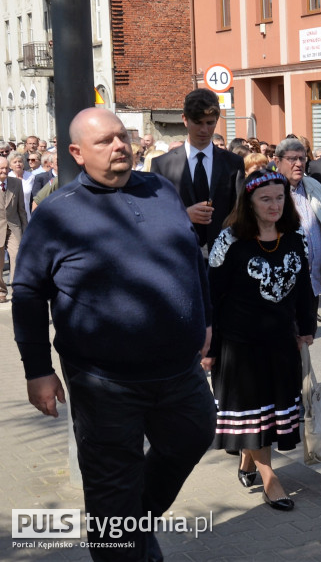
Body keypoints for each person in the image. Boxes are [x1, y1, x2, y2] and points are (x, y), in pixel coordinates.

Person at [12, 108, 215, 560]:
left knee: (195, 436)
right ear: (77, 153)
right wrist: (37, 371)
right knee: (111, 487)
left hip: (180, 372)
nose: (119, 145)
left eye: (122, 136)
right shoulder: (57, 214)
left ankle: (133, 522)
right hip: (104, 381)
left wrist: (205, 318)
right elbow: (27, 293)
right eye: (104, 141)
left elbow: (192, 260)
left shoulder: (161, 189)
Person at [204, 169, 315, 512]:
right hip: (238, 345)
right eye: (265, 199)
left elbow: (304, 289)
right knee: (252, 411)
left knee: (270, 412)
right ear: (248, 202)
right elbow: (212, 296)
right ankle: (271, 478)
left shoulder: (295, 236)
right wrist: (209, 346)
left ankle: (249, 460)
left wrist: (306, 327)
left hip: (281, 341)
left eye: (280, 197)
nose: (274, 205)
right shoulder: (230, 240)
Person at [151, 88, 245, 257]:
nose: (204, 130)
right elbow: (156, 215)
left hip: (224, 256)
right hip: (179, 254)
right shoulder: (162, 164)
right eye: (198, 122)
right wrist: (184, 215)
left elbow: (239, 212)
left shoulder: (233, 163)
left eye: (210, 123)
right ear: (185, 119)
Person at [276, 139, 321, 299]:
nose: (298, 163)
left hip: (313, 284)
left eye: (302, 158)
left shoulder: (313, 185)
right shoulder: (269, 190)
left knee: (309, 324)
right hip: (283, 286)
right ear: (277, 161)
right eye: (292, 159)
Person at [0, 156, 28, 303]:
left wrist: (26, 230)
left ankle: (17, 290)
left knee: (17, 257)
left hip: (13, 227)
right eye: (1, 169)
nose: (4, 171)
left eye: (6, 168)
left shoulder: (16, 183)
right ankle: (1, 291)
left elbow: (21, 209)